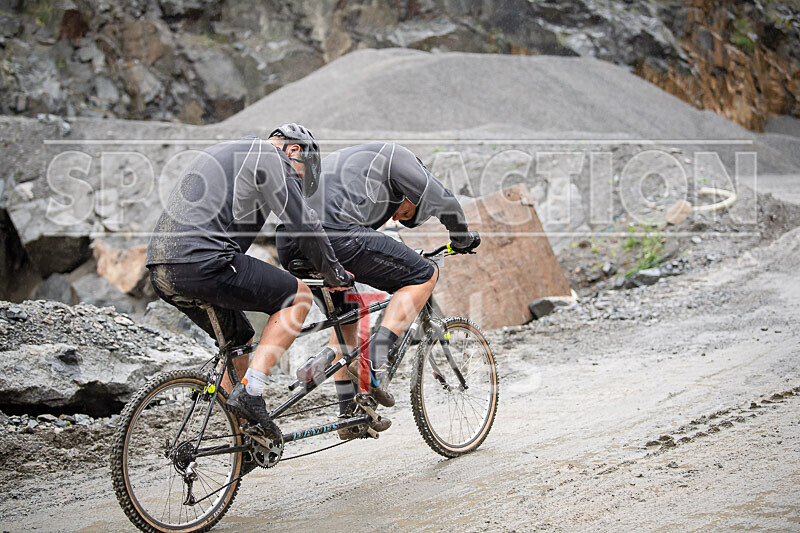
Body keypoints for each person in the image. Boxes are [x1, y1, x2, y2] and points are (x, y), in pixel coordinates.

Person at [146, 124, 353, 437]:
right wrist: (333, 271)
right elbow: (301, 222)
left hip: (161, 268)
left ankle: (243, 436)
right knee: (297, 297)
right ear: (294, 150)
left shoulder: (225, 153)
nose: (294, 182)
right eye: (298, 176)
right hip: (204, 261)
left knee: (239, 340)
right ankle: (252, 391)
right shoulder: (270, 156)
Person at [276, 142, 480, 438]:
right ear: (411, 195)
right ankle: (375, 355)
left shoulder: (350, 165)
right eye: (406, 213)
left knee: (348, 314)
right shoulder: (397, 157)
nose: (397, 218)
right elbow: (444, 200)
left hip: (291, 244)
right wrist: (461, 238)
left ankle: (349, 415)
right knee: (423, 274)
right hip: (331, 235)